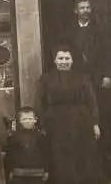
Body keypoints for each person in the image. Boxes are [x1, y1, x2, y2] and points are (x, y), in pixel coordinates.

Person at [64, 0, 111, 181]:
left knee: (101, 120)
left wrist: (107, 75)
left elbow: (109, 53)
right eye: (82, 8)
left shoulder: (100, 30)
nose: (85, 10)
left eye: (88, 7)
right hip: (78, 81)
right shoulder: (68, 32)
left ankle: (106, 169)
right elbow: (64, 55)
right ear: (75, 11)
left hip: (98, 80)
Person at [37, 45, 101, 184]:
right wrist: (42, 124)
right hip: (56, 122)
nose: (64, 61)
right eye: (60, 58)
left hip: (80, 121)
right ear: (55, 60)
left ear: (72, 60)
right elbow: (39, 102)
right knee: (59, 157)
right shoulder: (46, 79)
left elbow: (92, 101)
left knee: (81, 157)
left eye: (67, 58)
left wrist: (95, 123)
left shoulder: (83, 78)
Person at [6, 106, 50, 184]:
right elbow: (10, 155)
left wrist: (46, 170)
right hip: (19, 173)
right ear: (20, 121)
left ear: (35, 120)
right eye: (24, 119)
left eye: (30, 119)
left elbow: (46, 154)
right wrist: (10, 170)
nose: (28, 121)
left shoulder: (41, 136)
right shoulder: (14, 137)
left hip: (37, 173)